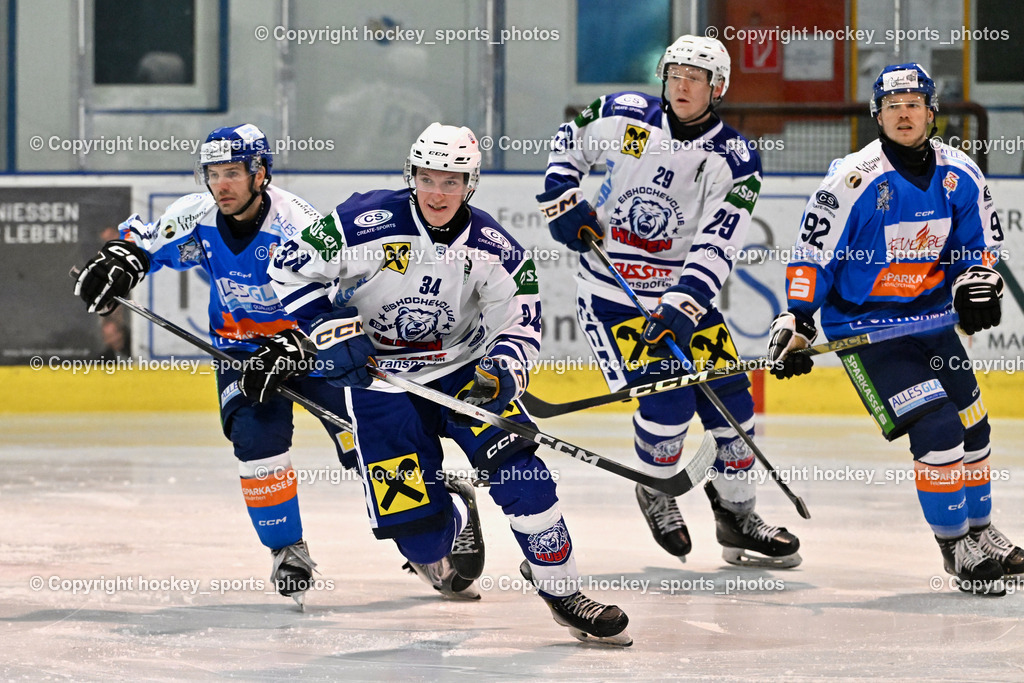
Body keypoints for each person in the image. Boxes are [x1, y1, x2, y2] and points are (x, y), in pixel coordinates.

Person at [264, 122, 632, 646]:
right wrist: (328, 330)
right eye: (428, 179)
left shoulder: (493, 245)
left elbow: (520, 317)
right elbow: (288, 268)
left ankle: (563, 590)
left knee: (523, 476)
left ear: (471, 184)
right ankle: (454, 508)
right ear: (411, 175)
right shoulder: (359, 219)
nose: (437, 193)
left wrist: (503, 366)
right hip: (379, 383)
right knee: (421, 540)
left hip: (462, 372)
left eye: (451, 182)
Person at [537, 35, 799, 568]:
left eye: (696, 78)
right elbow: (569, 140)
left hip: (683, 299)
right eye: (675, 74)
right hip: (612, 294)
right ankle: (656, 488)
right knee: (668, 404)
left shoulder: (735, 158)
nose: (682, 85)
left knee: (735, 410)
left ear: (717, 88)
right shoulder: (623, 112)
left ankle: (737, 516)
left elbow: (718, 240)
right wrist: (562, 198)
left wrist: (682, 305)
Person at [73, 124, 356, 607]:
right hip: (243, 353)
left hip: (310, 347)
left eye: (232, 173)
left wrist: (304, 342)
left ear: (259, 174)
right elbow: (145, 245)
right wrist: (120, 261)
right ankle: (287, 548)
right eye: (213, 173)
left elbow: (343, 297)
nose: (220, 185)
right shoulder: (197, 215)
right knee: (257, 443)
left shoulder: (298, 224)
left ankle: (433, 527)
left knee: (368, 440)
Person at [767, 63, 1023, 595]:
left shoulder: (961, 173)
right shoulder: (853, 177)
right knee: (937, 427)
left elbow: (976, 249)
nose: (903, 114)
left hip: (930, 321)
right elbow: (813, 253)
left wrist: (976, 284)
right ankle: (955, 546)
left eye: (913, 104)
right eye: (891, 106)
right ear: (877, 115)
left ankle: (981, 530)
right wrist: (798, 318)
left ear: (931, 112)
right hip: (867, 328)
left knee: (974, 425)